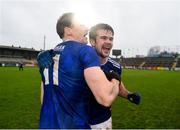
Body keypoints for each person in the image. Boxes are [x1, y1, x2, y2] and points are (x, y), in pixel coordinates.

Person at [37, 12, 120, 129]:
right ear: (68, 30)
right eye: (81, 25)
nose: (87, 28)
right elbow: (106, 98)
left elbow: (43, 99)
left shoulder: (48, 56)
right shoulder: (84, 51)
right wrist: (115, 81)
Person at [88, 23, 141, 129]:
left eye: (111, 39)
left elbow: (117, 85)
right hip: (79, 121)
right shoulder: (80, 61)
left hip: (103, 121)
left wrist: (128, 95)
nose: (108, 42)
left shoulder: (115, 66)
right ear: (92, 41)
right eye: (103, 38)